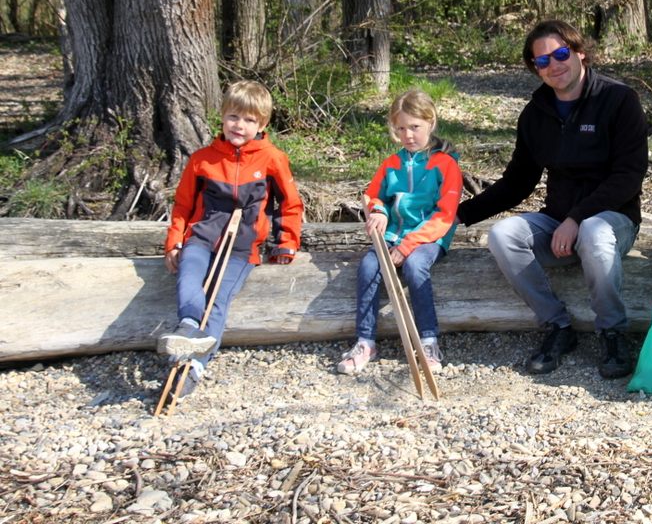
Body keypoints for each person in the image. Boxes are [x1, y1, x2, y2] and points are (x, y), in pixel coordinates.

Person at [457, 20, 649, 379]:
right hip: (559, 222)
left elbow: (630, 174)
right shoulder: (535, 114)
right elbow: (517, 183)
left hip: (613, 220)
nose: (553, 65)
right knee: (503, 235)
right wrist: (459, 215)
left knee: (593, 231)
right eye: (541, 61)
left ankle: (613, 332)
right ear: (534, 68)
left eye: (560, 54)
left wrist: (577, 217)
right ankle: (558, 326)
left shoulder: (618, 99)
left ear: (580, 53)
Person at [158, 80, 304, 399]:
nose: (240, 125)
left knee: (218, 296)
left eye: (250, 120)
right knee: (190, 275)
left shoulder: (272, 158)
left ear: (262, 124)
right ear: (222, 117)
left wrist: (286, 242)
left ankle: (194, 368)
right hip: (201, 236)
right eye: (234, 117)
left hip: (243, 246)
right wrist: (174, 242)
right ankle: (187, 327)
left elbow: (290, 203)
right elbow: (182, 205)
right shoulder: (202, 159)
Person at [336, 90, 462, 375]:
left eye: (415, 127)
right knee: (369, 266)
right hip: (392, 234)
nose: (408, 135)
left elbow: (445, 214)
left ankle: (428, 341)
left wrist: (408, 245)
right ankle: (365, 341)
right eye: (401, 128)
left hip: (430, 235)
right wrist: (378, 212)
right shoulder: (391, 163)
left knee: (417, 267)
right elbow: (372, 195)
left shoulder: (446, 163)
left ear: (431, 122)